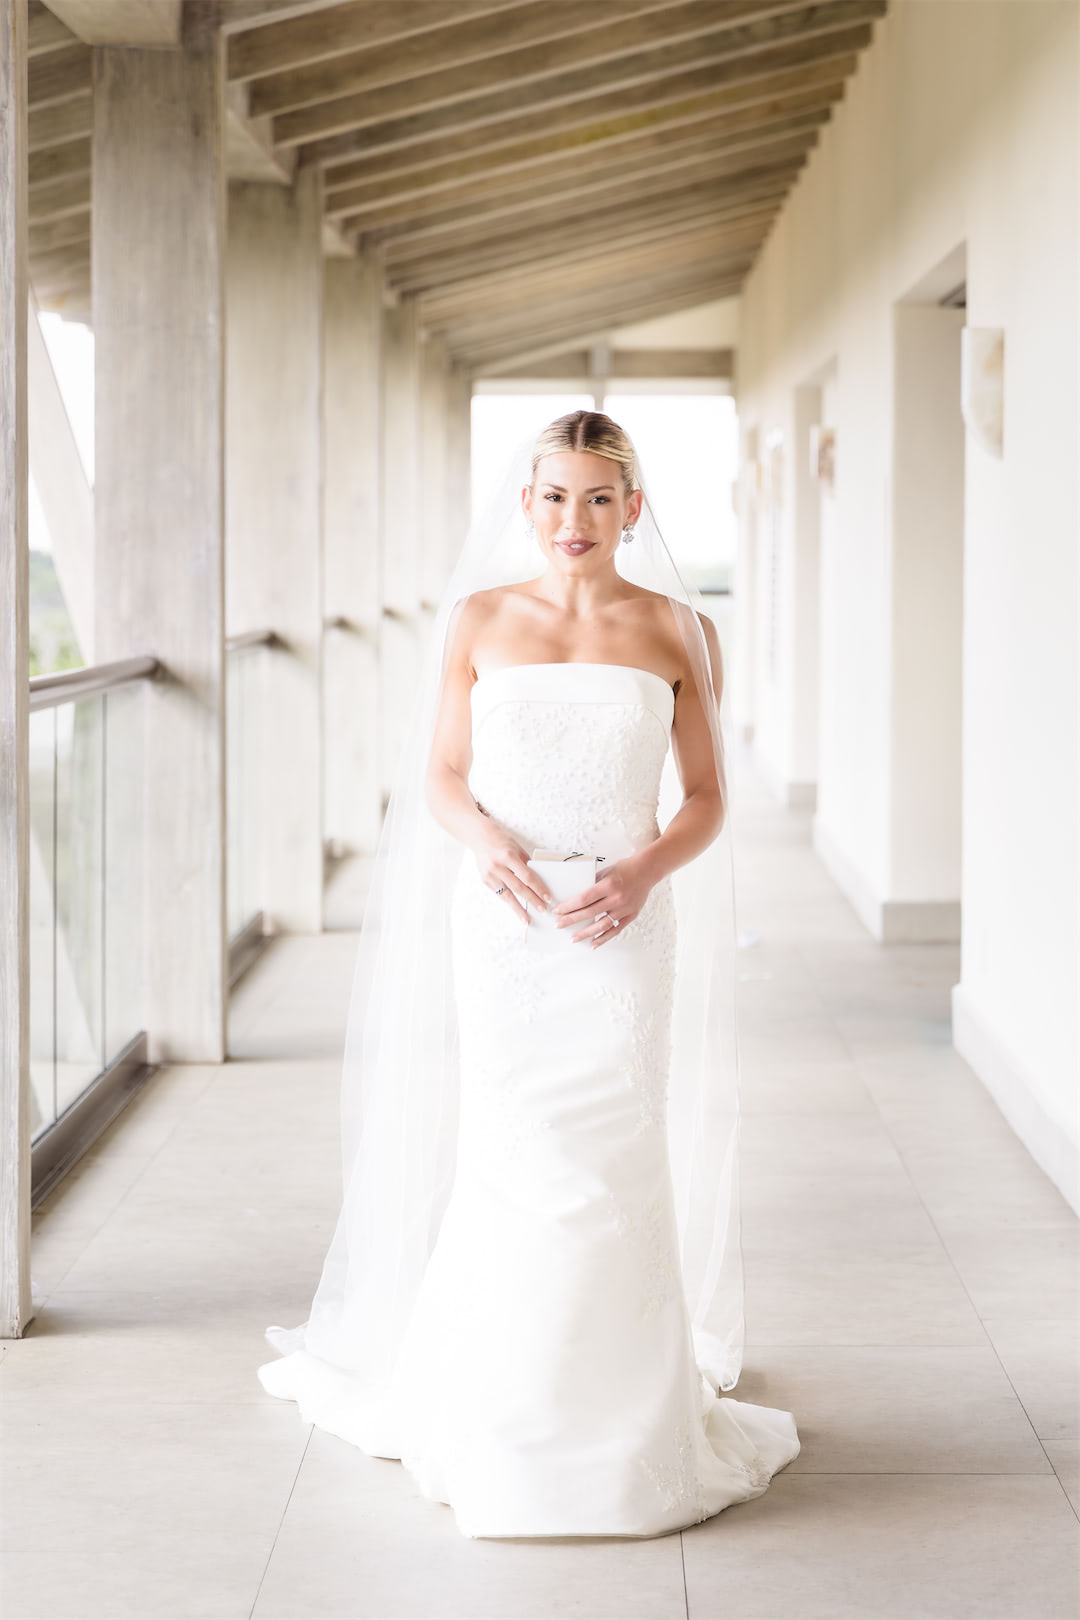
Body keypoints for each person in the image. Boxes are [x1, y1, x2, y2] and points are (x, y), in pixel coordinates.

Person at [257, 409, 800, 1539]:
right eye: (554, 497)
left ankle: (623, 1423)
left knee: (610, 1151)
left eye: (600, 498)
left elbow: (705, 799)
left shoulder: (681, 630)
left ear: (634, 509)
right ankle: (502, 1410)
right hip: (507, 923)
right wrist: (489, 843)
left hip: (621, 923)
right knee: (515, 1149)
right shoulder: (477, 620)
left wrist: (646, 869)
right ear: (526, 504)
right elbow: (446, 774)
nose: (575, 519)